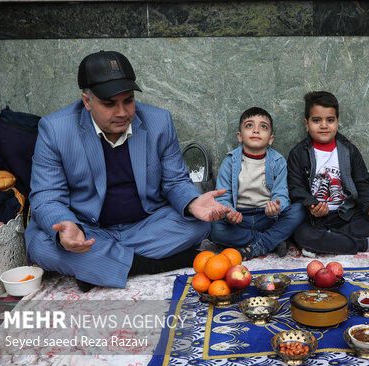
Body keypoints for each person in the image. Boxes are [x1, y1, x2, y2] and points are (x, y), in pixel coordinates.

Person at [25, 50, 230, 291]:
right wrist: (67, 227)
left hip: (145, 226)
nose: (122, 112)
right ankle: (155, 264)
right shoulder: (55, 130)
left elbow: (175, 182)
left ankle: (99, 267)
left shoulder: (159, 122)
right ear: (87, 101)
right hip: (89, 230)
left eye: (128, 100)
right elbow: (46, 195)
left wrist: (192, 202)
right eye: (109, 103)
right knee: (41, 243)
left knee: (198, 224)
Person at [287, 91, 369, 256]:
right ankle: (367, 244)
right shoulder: (298, 153)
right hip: (314, 218)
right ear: (306, 124)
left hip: (345, 215)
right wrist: (312, 205)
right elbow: (295, 187)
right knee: (300, 233)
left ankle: (325, 241)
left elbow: (362, 182)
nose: (324, 125)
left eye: (330, 120)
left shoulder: (348, 150)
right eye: (317, 120)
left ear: (337, 122)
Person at [210, 107, 306, 260]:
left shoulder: (278, 161)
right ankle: (270, 241)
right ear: (240, 136)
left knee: (298, 211)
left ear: (271, 139)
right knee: (213, 228)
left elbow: (281, 193)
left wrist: (276, 207)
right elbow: (222, 195)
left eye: (263, 127)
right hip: (240, 219)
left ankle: (259, 244)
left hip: (267, 218)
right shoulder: (230, 161)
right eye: (249, 125)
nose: (256, 130)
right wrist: (229, 213)